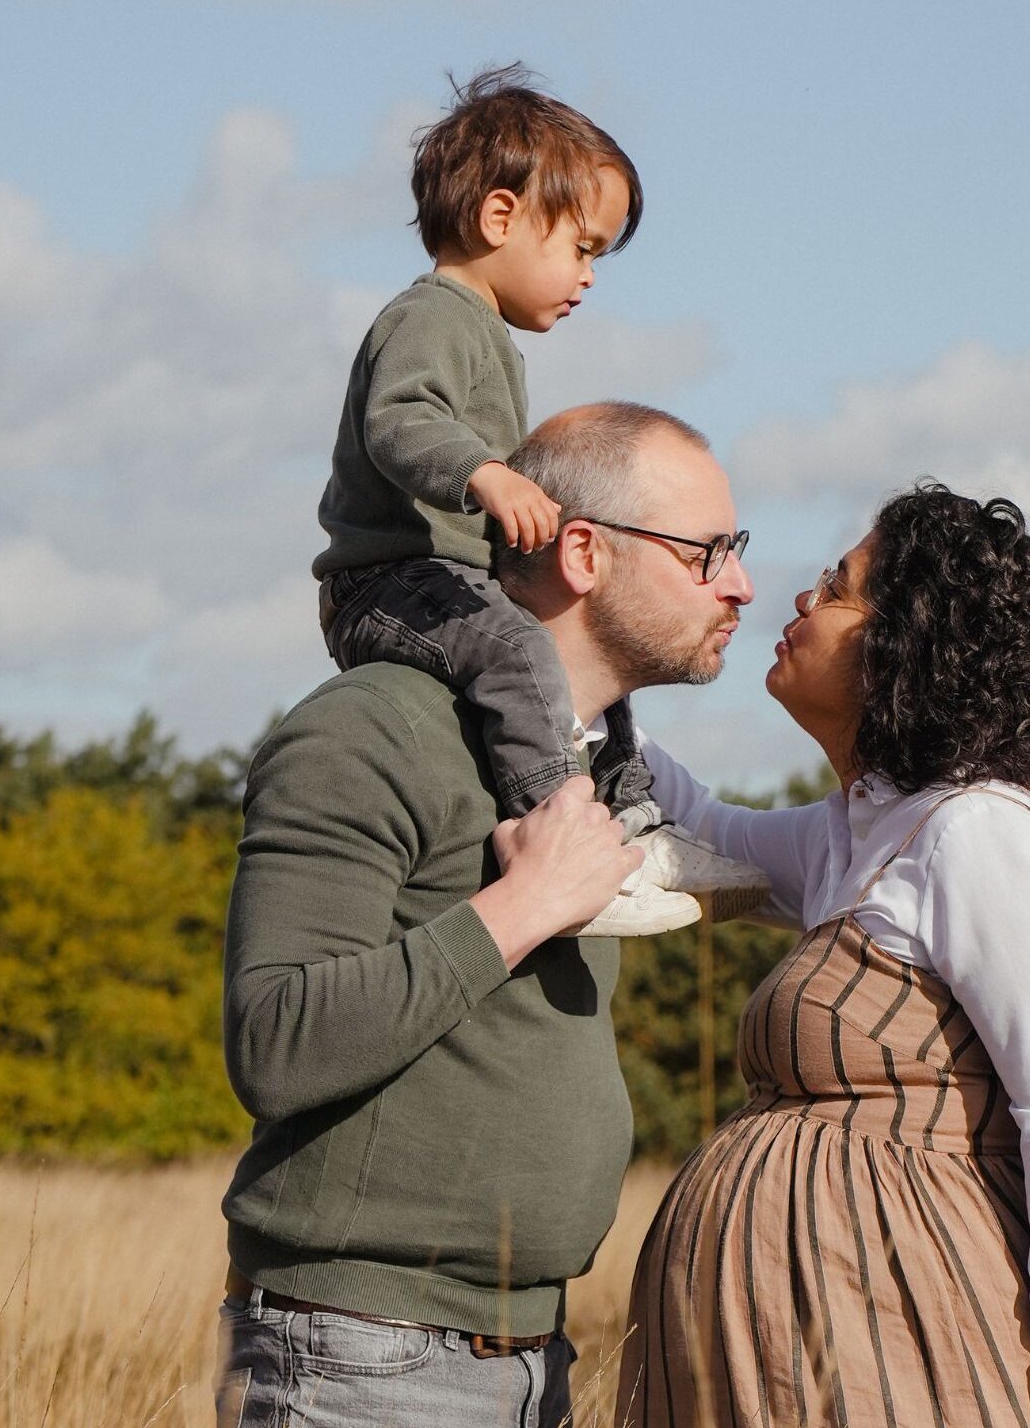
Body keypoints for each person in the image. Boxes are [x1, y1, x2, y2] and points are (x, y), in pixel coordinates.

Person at [217, 403, 754, 1428]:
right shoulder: (369, 728)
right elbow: (273, 1042)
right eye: (706, 552)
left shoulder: (596, 772)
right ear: (584, 553)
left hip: (528, 1357)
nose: (738, 583)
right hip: (362, 1361)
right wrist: (525, 904)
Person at [619, 483, 1030, 1428]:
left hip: (931, 1327)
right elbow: (701, 825)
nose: (801, 600)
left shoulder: (984, 834)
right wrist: (571, 679)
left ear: (907, 642)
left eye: (837, 589)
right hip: (837, 1334)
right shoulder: (857, 832)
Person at [310, 62, 755, 934]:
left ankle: (635, 827)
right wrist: (485, 473)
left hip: (449, 581)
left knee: (586, 664)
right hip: (386, 582)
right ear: (500, 216)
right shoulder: (432, 316)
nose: (588, 276)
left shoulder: (485, 333)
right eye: (582, 247)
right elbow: (397, 420)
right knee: (519, 650)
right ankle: (563, 840)